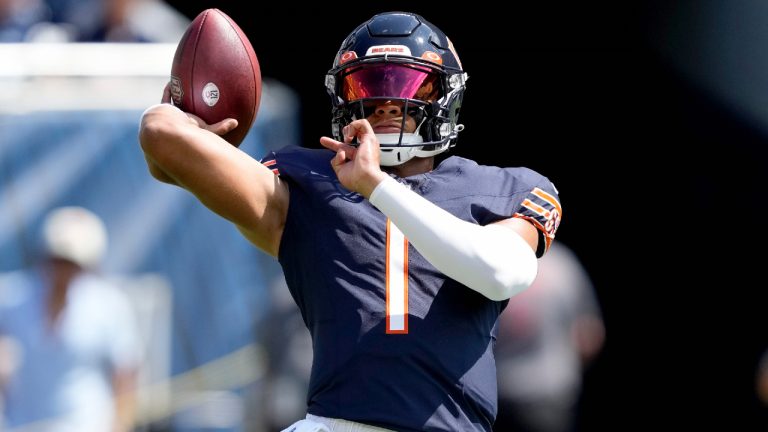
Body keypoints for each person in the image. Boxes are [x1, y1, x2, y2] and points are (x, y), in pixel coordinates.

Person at [139, 11, 562, 432]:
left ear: (444, 96)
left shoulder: (507, 187)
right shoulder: (307, 183)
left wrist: (376, 187)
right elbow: (164, 140)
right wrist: (179, 117)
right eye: (367, 88)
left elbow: (502, 273)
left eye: (408, 86)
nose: (385, 105)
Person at [0, 206, 143, 432]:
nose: (62, 269)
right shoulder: (13, 296)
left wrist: (121, 424)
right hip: (22, 426)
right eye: (57, 259)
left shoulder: (110, 305)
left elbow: (126, 373)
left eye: (71, 262)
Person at [494, 241, 604, 432]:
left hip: (497, 393)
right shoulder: (564, 263)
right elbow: (589, 334)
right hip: (550, 395)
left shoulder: (492, 260)